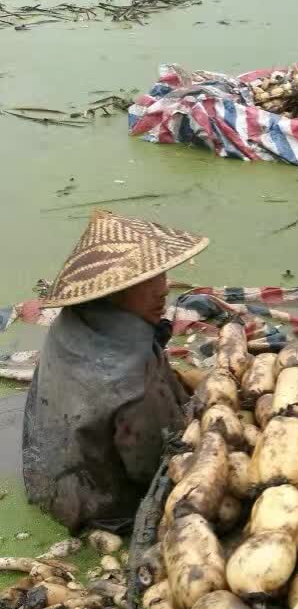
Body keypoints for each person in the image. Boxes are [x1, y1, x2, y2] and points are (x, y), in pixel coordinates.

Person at [23, 208, 208, 532]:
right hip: (106, 510)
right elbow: (155, 468)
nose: (164, 289)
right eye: (148, 280)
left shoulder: (69, 323)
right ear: (112, 289)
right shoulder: (134, 384)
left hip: (47, 482)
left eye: (162, 275)